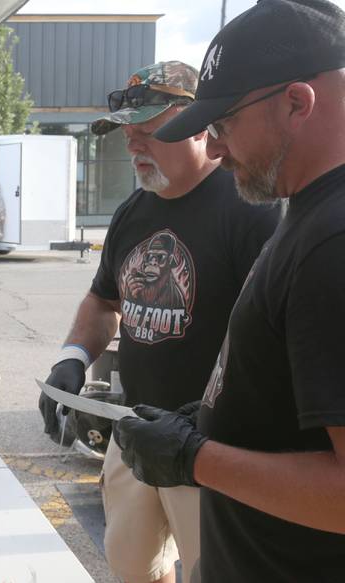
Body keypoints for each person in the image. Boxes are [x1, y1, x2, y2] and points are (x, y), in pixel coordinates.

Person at [113, 1, 345, 581]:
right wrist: (211, 416)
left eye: (223, 125)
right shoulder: (305, 211)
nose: (214, 149)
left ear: (297, 103)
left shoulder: (334, 241)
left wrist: (196, 457)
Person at [38, 61, 280, 583]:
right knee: (132, 568)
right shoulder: (133, 211)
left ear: (199, 124)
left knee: (210, 571)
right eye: (128, 134)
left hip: (212, 448)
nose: (133, 146)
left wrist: (206, 432)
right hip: (136, 432)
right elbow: (104, 302)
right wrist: (71, 360)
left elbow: (270, 343)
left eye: (147, 132)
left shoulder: (251, 210)